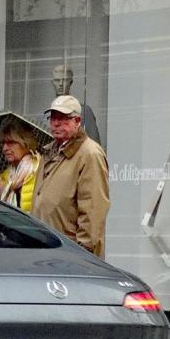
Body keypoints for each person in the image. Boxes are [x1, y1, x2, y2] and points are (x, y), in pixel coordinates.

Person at [32, 95, 110, 257]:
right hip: (47, 248)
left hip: (69, 253)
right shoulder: (48, 151)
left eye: (63, 118)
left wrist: (82, 253)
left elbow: (93, 210)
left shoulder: (90, 154)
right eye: (53, 118)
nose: (56, 123)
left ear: (77, 121)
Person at [0, 121, 41, 212]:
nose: (4, 148)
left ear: (25, 143)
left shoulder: (39, 170)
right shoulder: (6, 176)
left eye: (10, 142)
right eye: (3, 143)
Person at [52, 65, 102, 147]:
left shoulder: (84, 111)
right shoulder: (47, 115)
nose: (60, 84)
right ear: (53, 82)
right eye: (57, 80)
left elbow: (95, 146)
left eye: (64, 80)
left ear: (70, 82)